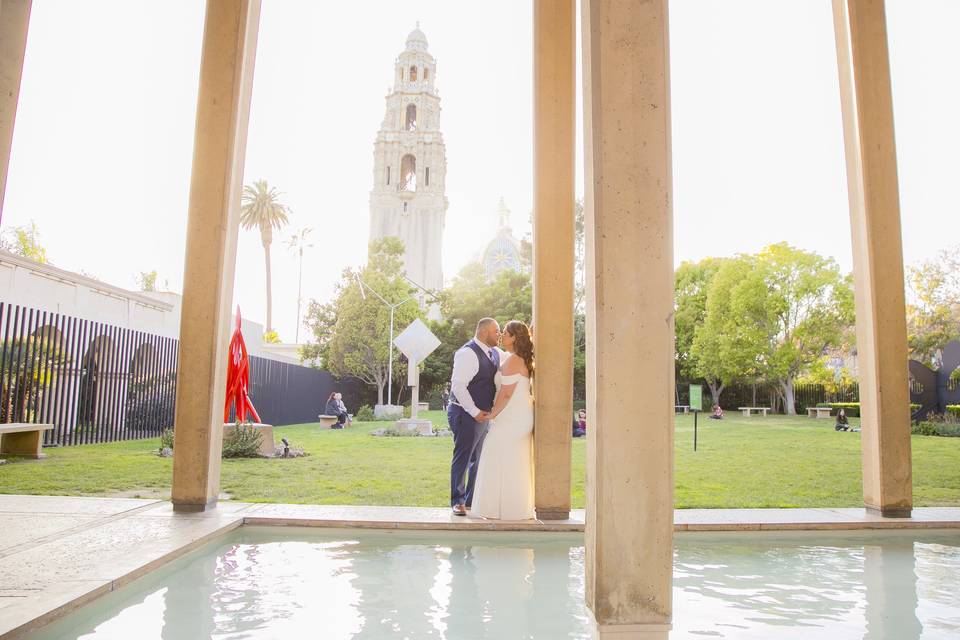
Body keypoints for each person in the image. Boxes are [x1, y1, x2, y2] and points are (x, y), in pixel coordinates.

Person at [471, 320, 536, 521]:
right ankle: (509, 509)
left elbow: (506, 394)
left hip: (511, 419)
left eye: (506, 333)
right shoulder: (518, 358)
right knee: (510, 461)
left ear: (515, 338)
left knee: (494, 454)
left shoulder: (514, 359)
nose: (502, 336)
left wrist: (492, 414)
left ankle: (497, 510)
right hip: (517, 417)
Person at [448, 318, 502, 516]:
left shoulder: (494, 353)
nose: (500, 335)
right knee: (463, 456)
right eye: (497, 331)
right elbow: (458, 386)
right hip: (465, 413)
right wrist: (474, 411)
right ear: (484, 332)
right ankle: (457, 500)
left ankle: (470, 500)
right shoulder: (467, 353)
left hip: (483, 416)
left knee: (478, 458)